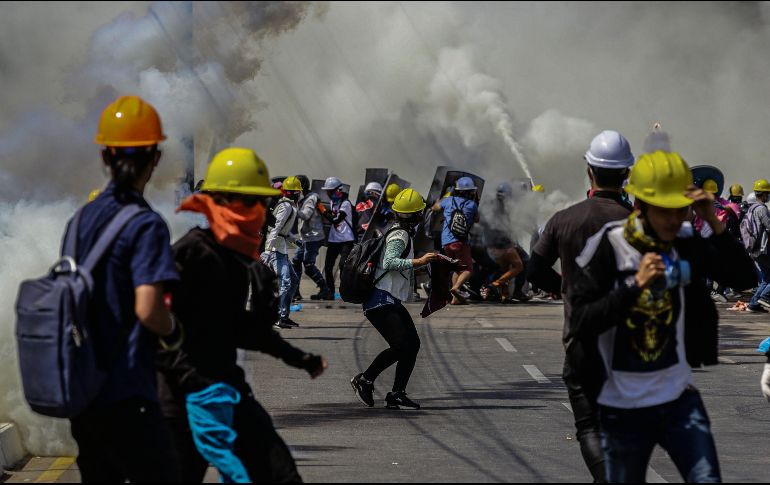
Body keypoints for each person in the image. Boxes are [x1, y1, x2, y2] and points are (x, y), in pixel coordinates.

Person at [570, 150, 755, 483]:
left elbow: (744, 279)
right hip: (621, 405)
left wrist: (712, 220)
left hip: (678, 399)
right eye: (664, 211)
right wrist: (632, 287)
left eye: (680, 210)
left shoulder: (686, 242)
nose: (674, 220)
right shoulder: (607, 247)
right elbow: (581, 321)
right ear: (639, 205)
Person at [158, 147, 327, 483]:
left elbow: (239, 329)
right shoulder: (189, 254)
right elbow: (157, 328)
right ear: (221, 202)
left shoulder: (237, 258)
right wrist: (193, 380)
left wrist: (298, 357)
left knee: (281, 475)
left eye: (261, 203)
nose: (260, 212)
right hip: (182, 400)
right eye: (251, 202)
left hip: (226, 389)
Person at [68, 95, 181, 482]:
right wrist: (174, 332)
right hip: (128, 393)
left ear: (105, 157)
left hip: (83, 390)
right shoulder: (146, 224)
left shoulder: (80, 218)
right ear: (155, 158)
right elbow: (149, 310)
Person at [527, 129, 634, 482]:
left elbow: (534, 269)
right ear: (627, 174)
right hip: (634, 342)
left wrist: (563, 289)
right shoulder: (642, 223)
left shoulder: (563, 219)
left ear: (589, 170)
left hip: (582, 339)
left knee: (589, 426)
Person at [351, 188, 438, 410]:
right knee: (400, 346)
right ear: (416, 215)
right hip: (380, 301)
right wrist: (417, 262)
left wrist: (415, 270)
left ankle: (397, 393)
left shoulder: (399, 231)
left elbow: (392, 266)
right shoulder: (400, 235)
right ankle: (365, 379)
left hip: (389, 300)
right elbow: (390, 262)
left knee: (412, 345)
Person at [261, 175, 303, 329]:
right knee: (285, 282)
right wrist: (267, 250)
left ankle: (283, 316)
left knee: (293, 280)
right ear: (296, 192)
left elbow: (283, 232)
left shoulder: (289, 205)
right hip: (275, 250)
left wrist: (294, 240)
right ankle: (279, 317)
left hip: (280, 248)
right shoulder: (286, 206)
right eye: (297, 191)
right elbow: (275, 229)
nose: (298, 194)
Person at [432, 176, 479, 305]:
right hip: (460, 242)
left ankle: (455, 299)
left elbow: (434, 208)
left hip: (446, 242)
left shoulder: (448, 201)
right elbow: (477, 220)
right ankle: (456, 288)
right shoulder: (472, 205)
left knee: (457, 269)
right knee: (467, 269)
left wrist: (438, 200)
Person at [291, 175, 333, 301]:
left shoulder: (312, 198)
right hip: (307, 237)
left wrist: (289, 208)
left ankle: (325, 290)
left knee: (308, 265)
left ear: (302, 186)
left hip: (314, 237)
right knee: (296, 261)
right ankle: (295, 292)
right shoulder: (303, 198)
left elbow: (305, 215)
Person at [321, 177, 356, 298]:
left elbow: (336, 220)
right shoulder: (332, 203)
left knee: (343, 265)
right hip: (333, 239)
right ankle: (330, 291)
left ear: (338, 190)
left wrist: (323, 211)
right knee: (328, 266)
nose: (329, 194)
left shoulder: (345, 203)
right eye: (328, 192)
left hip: (346, 239)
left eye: (330, 191)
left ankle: (345, 290)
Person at [745, 179, 770, 313]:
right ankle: (765, 298)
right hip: (763, 249)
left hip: (754, 249)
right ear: (764, 194)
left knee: (766, 278)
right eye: (768, 193)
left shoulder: (751, 208)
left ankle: (754, 304)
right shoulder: (761, 209)